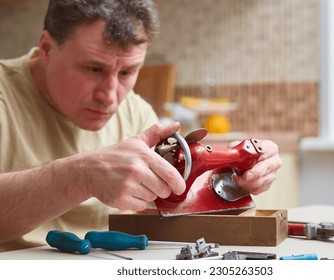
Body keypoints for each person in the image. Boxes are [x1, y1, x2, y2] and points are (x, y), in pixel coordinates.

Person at [0, 0, 282, 252]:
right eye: (93, 69)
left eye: (127, 72)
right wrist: (79, 176)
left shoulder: (136, 113)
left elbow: (179, 205)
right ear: (47, 47)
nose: (110, 97)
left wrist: (235, 173)